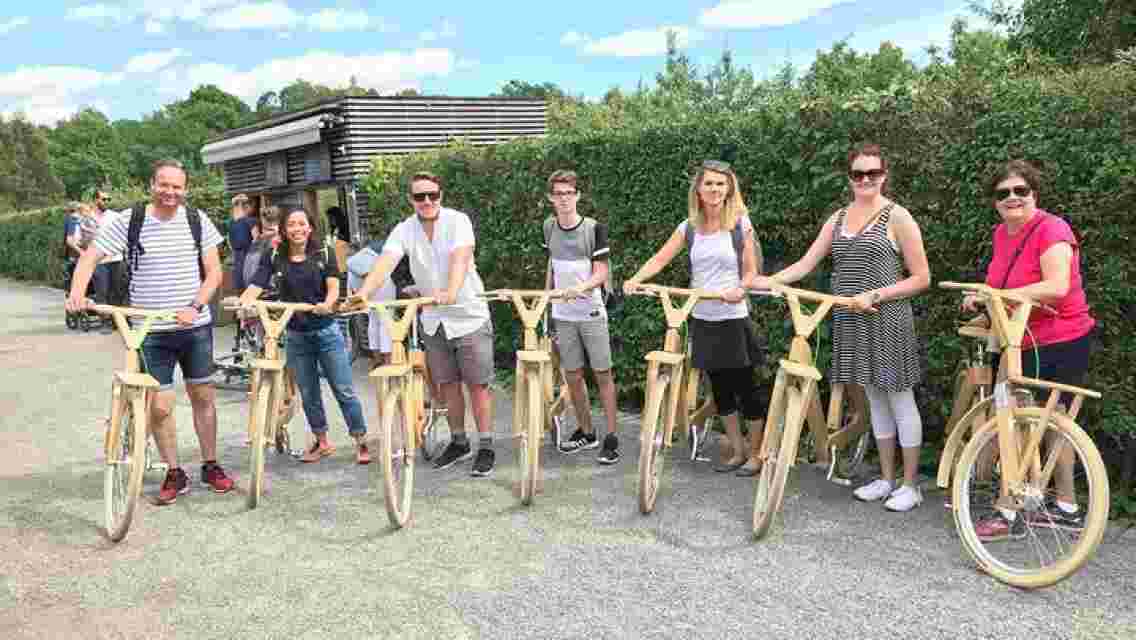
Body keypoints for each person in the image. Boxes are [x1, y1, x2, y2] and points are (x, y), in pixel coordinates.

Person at [755, 143, 930, 512]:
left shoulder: (898, 217)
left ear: (884, 176)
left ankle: (911, 485)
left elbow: (921, 278)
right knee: (874, 399)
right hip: (851, 319)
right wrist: (765, 281)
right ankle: (885, 479)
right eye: (858, 174)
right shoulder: (837, 219)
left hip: (887, 320)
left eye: (873, 173)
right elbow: (805, 264)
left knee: (900, 399)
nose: (866, 180)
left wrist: (877, 295)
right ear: (849, 178)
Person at [67, 159, 235, 504]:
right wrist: (77, 295)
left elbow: (215, 273)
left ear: (184, 189)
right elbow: (89, 258)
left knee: (203, 397)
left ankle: (210, 463)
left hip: (194, 326)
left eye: (177, 186)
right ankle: (175, 471)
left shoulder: (196, 220)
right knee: (159, 407)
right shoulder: (131, 220)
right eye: (164, 185)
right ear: (152, 184)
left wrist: (196, 306)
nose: (170, 192)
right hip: (149, 331)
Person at [962, 159, 1096, 539]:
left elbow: (1056, 285)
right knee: (1021, 422)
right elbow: (999, 284)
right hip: (1019, 338)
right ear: (995, 201)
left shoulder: (1053, 229)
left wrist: (998, 296)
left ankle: (1023, 512)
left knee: (1049, 425)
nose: (1013, 198)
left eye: (1021, 190)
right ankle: (1043, 507)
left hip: (1063, 337)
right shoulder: (1002, 234)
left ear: (1034, 194)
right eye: (1003, 193)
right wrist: (981, 297)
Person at [623, 160, 766, 476]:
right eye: (709, 184)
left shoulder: (741, 223)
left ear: (729, 188)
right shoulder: (687, 227)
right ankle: (737, 450)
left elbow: (751, 270)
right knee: (719, 388)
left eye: (720, 184)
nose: (715, 189)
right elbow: (661, 258)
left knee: (746, 388)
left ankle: (757, 453)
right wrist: (635, 279)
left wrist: (741, 289)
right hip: (702, 316)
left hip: (733, 316)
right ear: (698, 190)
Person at [353, 172, 498, 477]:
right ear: (412, 200)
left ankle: (486, 445)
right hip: (433, 319)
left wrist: (451, 291)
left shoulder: (458, 221)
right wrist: (363, 294)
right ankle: (460, 442)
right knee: (447, 385)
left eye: (432, 195)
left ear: (440, 195)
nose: (427, 201)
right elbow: (386, 262)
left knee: (477, 384)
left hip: (467, 313)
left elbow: (460, 258)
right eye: (420, 197)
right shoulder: (404, 229)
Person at [241, 208, 371, 465]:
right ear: (284, 229)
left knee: (343, 389)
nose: (297, 229)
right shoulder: (275, 254)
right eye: (291, 224)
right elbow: (257, 282)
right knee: (309, 392)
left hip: (325, 331)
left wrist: (327, 303)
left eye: (302, 223)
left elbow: (334, 287)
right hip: (296, 334)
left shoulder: (323, 253)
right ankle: (321, 442)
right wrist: (244, 301)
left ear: (310, 227)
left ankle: (361, 440)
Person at [541, 170, 620, 465]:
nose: (563, 199)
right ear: (551, 198)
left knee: (603, 373)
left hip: (591, 312)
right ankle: (588, 432)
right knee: (572, 375)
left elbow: (601, 272)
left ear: (577, 196)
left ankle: (611, 437)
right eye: (558, 194)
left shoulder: (594, 228)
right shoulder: (548, 227)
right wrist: (546, 300)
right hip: (562, 314)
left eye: (568, 193)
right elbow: (551, 265)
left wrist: (580, 288)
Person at [345, 237, 396, 371]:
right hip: (380, 283)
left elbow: (351, 288)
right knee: (385, 321)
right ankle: (387, 362)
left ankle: (377, 360)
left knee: (374, 321)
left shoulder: (352, 262)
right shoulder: (382, 248)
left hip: (366, 289)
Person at [229, 194, 256, 292]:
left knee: (243, 281)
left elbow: (256, 240)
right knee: (245, 280)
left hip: (242, 255)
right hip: (243, 254)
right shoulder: (248, 221)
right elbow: (257, 240)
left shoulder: (234, 222)